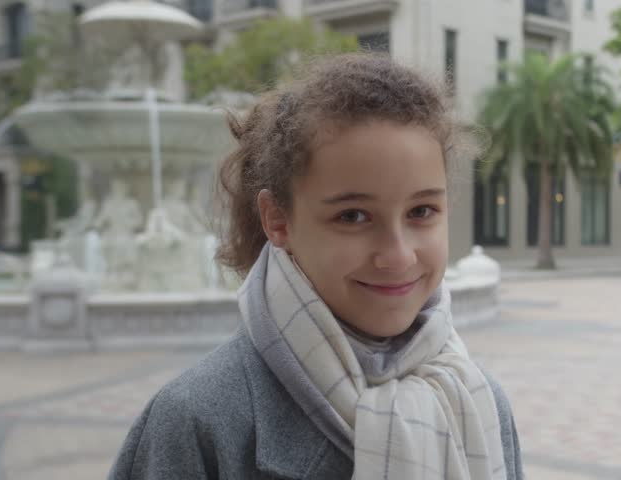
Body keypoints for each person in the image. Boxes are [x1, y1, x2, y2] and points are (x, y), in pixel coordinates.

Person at [108, 54, 524, 480]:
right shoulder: (199, 423)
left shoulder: (478, 403)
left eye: (421, 211)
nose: (398, 255)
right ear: (278, 219)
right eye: (353, 216)